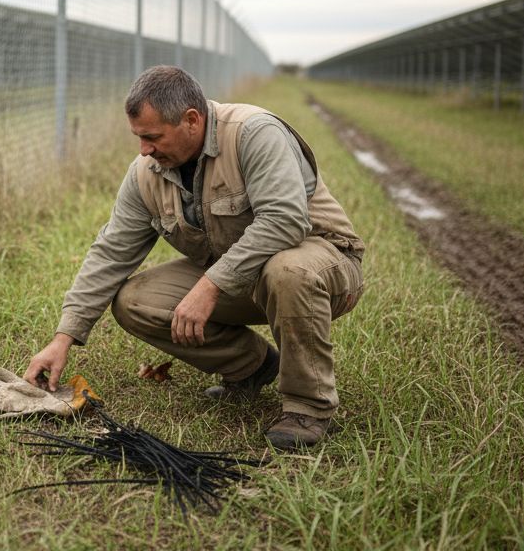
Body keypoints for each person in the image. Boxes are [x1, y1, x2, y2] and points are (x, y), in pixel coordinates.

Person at [24, 66, 365, 449]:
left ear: (191, 120)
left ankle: (308, 406)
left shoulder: (253, 133)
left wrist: (210, 284)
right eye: (139, 137)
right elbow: (111, 252)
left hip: (323, 264)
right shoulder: (146, 172)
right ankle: (251, 367)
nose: (144, 150)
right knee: (134, 300)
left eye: (153, 137)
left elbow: (285, 221)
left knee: (286, 271)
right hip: (244, 275)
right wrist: (63, 338)